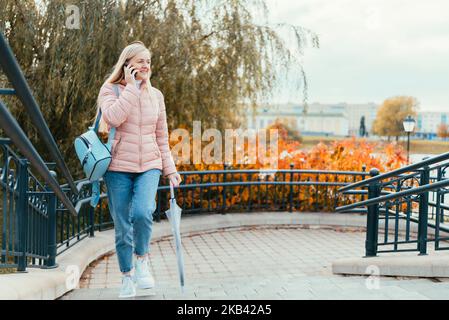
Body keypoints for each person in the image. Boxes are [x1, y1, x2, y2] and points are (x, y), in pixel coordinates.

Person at [95, 41, 182, 298]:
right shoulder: (110, 90)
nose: (146, 66)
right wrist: (132, 88)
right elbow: (113, 118)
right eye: (141, 61)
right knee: (122, 224)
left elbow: (162, 137)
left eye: (148, 61)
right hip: (118, 166)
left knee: (144, 212)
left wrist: (170, 169)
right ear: (127, 63)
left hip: (149, 166)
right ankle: (127, 276)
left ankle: (142, 259)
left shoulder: (157, 96)